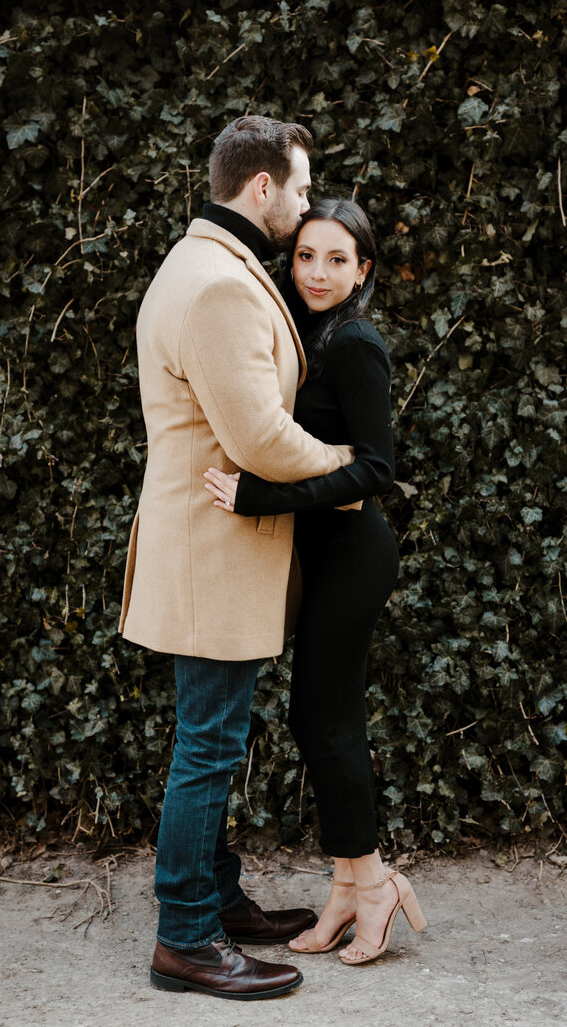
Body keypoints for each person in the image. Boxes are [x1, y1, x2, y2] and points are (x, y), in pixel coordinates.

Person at [118, 117, 358, 1000]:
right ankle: (184, 937)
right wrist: (357, 469)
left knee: (210, 738)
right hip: (212, 551)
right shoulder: (219, 283)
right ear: (261, 188)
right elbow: (257, 436)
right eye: (299, 189)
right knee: (208, 747)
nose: (305, 205)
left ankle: (215, 900)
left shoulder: (208, 265)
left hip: (210, 548)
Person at [203, 199, 428, 966]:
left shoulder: (355, 342)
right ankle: (346, 887)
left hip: (354, 556)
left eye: (337, 259)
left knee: (326, 719)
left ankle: (373, 886)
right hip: (323, 553)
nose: (318, 272)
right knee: (317, 718)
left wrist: (261, 496)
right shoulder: (304, 333)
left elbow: (376, 468)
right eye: (305, 256)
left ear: (364, 269)